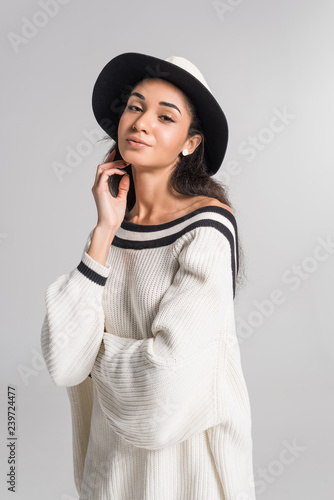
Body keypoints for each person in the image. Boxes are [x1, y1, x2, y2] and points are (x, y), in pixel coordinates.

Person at [41, 52, 256, 500]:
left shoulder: (207, 229)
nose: (140, 123)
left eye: (164, 116)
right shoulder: (110, 228)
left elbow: (165, 390)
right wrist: (104, 229)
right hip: (109, 477)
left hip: (187, 480)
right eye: (135, 107)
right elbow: (63, 363)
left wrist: (92, 356)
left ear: (190, 143)